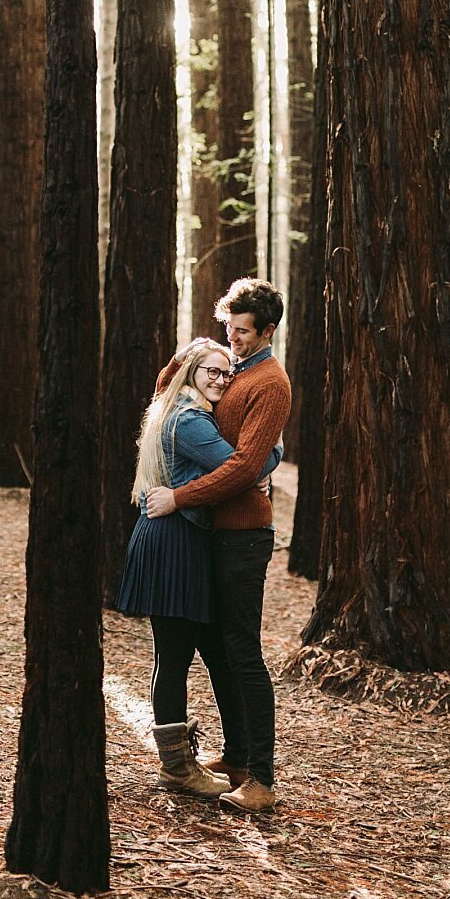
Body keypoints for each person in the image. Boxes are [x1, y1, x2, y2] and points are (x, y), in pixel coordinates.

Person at [144, 278, 292, 814]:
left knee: (243, 652)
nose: (233, 340)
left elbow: (245, 466)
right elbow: (169, 386)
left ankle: (262, 778)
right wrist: (190, 354)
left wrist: (180, 497)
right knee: (217, 649)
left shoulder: (269, 382)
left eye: (244, 332)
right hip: (211, 532)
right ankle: (234, 757)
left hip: (243, 535)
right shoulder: (230, 368)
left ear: (268, 330)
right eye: (228, 329)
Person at [116, 337, 278, 798]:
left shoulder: (175, 408)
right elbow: (240, 467)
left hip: (180, 538)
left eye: (226, 372)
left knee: (191, 653)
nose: (221, 379)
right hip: (174, 541)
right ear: (190, 372)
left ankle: (219, 756)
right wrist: (272, 456)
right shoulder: (188, 420)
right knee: (174, 657)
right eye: (210, 369)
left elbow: (233, 467)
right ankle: (176, 768)